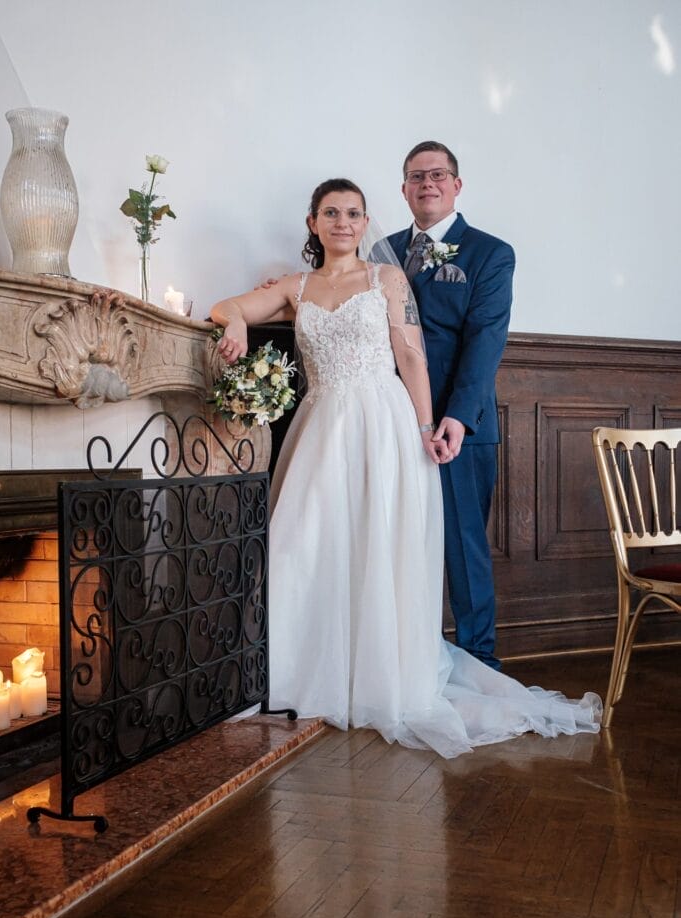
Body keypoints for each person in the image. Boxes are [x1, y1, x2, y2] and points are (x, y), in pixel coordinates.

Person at [210, 178, 600, 759]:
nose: (343, 222)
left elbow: (411, 356)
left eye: (354, 213)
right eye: (332, 213)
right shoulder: (295, 286)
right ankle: (301, 673)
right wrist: (237, 322)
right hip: (321, 426)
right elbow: (226, 306)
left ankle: (378, 675)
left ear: (366, 223)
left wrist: (423, 428)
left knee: (376, 544)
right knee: (304, 545)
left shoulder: (386, 279)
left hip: (382, 423)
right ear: (313, 222)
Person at [387, 141, 513, 671]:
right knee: (395, 540)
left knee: (462, 548)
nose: (428, 184)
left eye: (438, 174)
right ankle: (410, 660)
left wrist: (454, 418)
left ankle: (478, 662)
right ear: (404, 189)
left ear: (457, 185)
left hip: (458, 426)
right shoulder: (382, 250)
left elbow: (485, 340)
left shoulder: (489, 252)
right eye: (417, 176)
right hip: (391, 420)